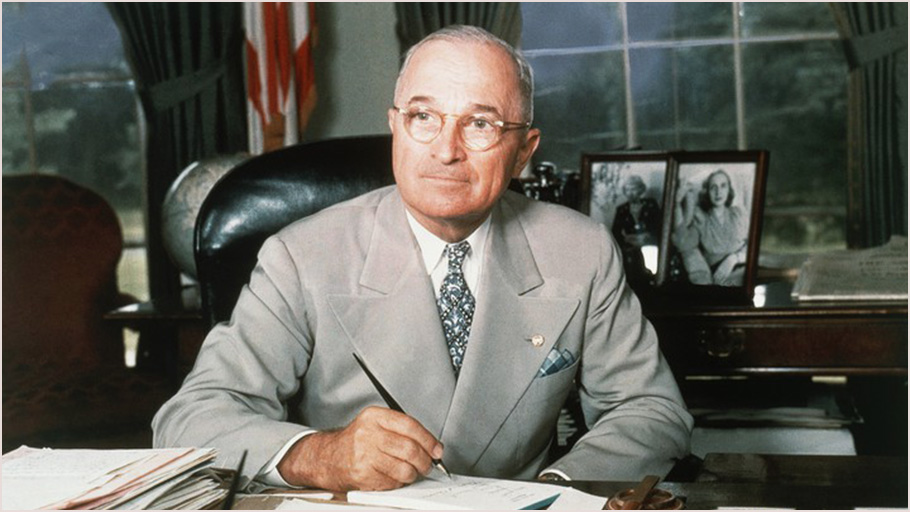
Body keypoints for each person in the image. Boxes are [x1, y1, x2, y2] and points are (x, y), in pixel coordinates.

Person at [153, 25, 692, 492]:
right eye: (423, 116)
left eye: (480, 124)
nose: (446, 150)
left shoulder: (581, 251)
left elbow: (650, 410)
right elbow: (189, 420)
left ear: (524, 153)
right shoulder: (301, 256)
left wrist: (558, 493)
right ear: (396, 127)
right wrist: (321, 455)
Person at [672, 169, 748, 286]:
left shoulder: (738, 214)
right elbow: (682, 242)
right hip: (719, 281)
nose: (718, 192)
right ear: (707, 192)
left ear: (729, 190)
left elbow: (753, 246)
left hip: (744, 270)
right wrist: (677, 203)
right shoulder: (701, 219)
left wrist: (733, 259)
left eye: (723, 186)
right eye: (713, 187)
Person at [611, 175, 662, 282]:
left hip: (650, 248)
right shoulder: (621, 209)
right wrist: (627, 239)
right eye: (627, 190)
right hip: (630, 251)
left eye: (633, 189)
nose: (630, 193)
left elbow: (659, 226)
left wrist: (647, 236)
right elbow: (615, 232)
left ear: (640, 189)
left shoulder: (651, 205)